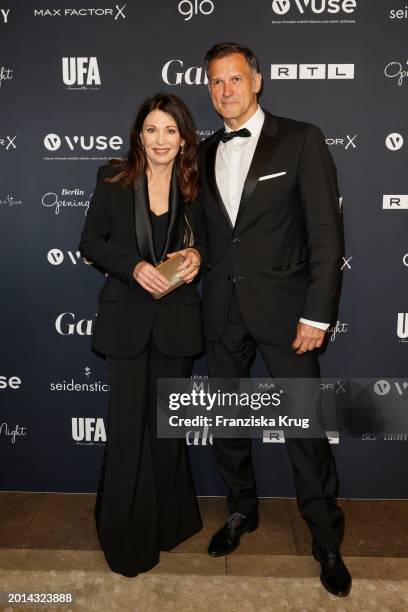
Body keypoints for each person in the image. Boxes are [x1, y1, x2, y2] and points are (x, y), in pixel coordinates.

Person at [200, 42, 351, 597]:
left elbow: (326, 236)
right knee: (228, 422)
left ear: (257, 81)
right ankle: (241, 511)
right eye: (215, 82)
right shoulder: (203, 149)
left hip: (289, 315)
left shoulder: (302, 139)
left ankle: (325, 537)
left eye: (235, 79)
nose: (225, 91)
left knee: (305, 431)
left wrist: (318, 313)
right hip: (221, 312)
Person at [79, 93, 204, 577]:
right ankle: (125, 536)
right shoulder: (113, 177)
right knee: (129, 428)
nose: (160, 140)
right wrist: (132, 266)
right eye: (151, 130)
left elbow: (207, 242)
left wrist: (195, 259)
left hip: (176, 322)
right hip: (126, 321)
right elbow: (90, 241)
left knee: (166, 431)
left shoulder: (196, 183)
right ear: (138, 135)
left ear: (183, 137)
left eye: (170, 131)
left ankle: (168, 524)